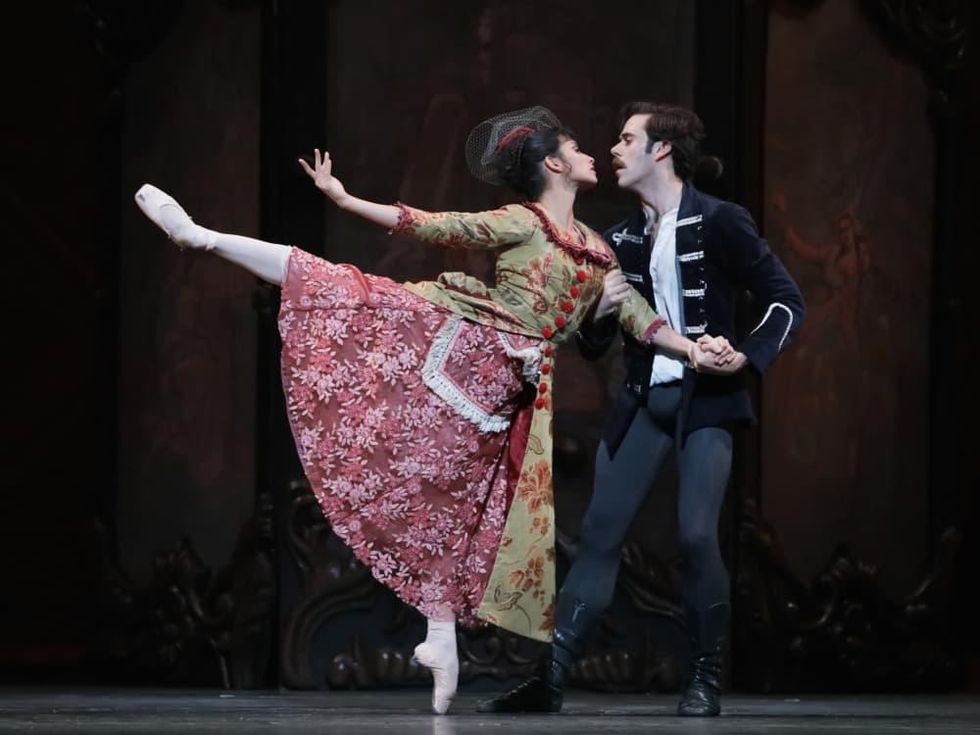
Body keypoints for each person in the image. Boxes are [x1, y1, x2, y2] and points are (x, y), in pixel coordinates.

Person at [133, 106, 731, 715]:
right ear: (555, 163)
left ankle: (441, 639)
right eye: (578, 148)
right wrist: (344, 201)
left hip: (512, 391)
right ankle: (201, 237)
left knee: (465, 502)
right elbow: (435, 225)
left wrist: (694, 349)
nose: (592, 155)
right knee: (343, 287)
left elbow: (641, 319)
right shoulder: (521, 223)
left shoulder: (599, 253)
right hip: (467, 342)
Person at [478, 102, 806, 717]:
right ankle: (550, 679)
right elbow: (601, 342)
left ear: (661, 150)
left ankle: (705, 677)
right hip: (643, 402)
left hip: (707, 404)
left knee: (694, 533)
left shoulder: (721, 221)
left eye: (627, 139)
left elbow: (787, 301)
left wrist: (746, 353)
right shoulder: (619, 240)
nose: (615, 149)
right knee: (599, 536)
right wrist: (600, 317)